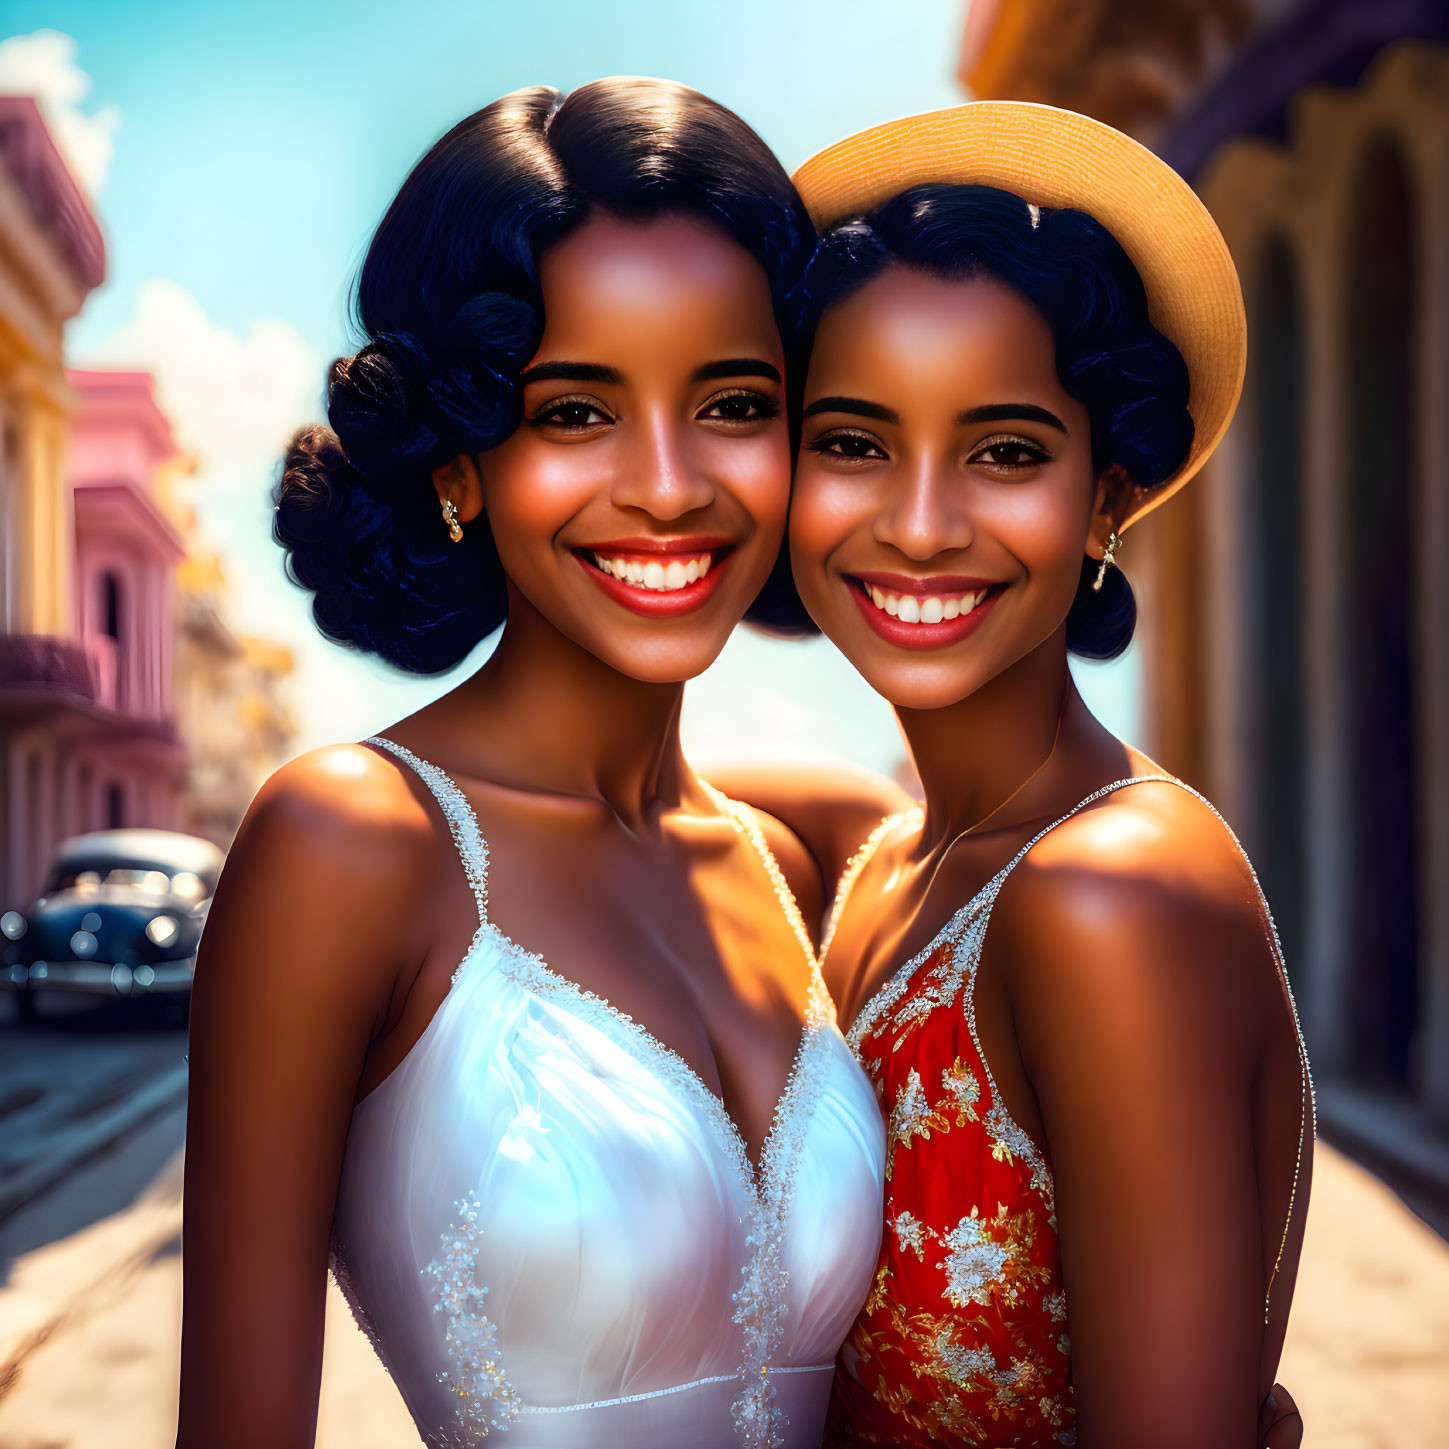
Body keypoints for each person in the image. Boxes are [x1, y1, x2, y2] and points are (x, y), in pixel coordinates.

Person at [176, 77, 889, 1449]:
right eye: (574, 412)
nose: (670, 483)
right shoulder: (351, 845)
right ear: (458, 457)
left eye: (733, 401)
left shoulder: (806, 851)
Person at [737, 102, 1313, 1448]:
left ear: (1103, 494)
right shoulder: (887, 860)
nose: (921, 523)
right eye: (853, 440)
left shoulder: (1113, 896)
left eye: (1002, 449)